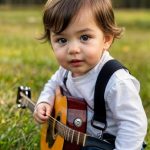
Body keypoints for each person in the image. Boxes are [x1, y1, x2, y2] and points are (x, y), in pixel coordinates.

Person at [33, 0, 147, 149]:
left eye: (84, 37)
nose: (73, 49)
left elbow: (134, 124)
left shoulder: (116, 82)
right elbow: (52, 85)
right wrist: (44, 101)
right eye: (62, 40)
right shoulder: (66, 71)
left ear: (106, 39)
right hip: (79, 140)